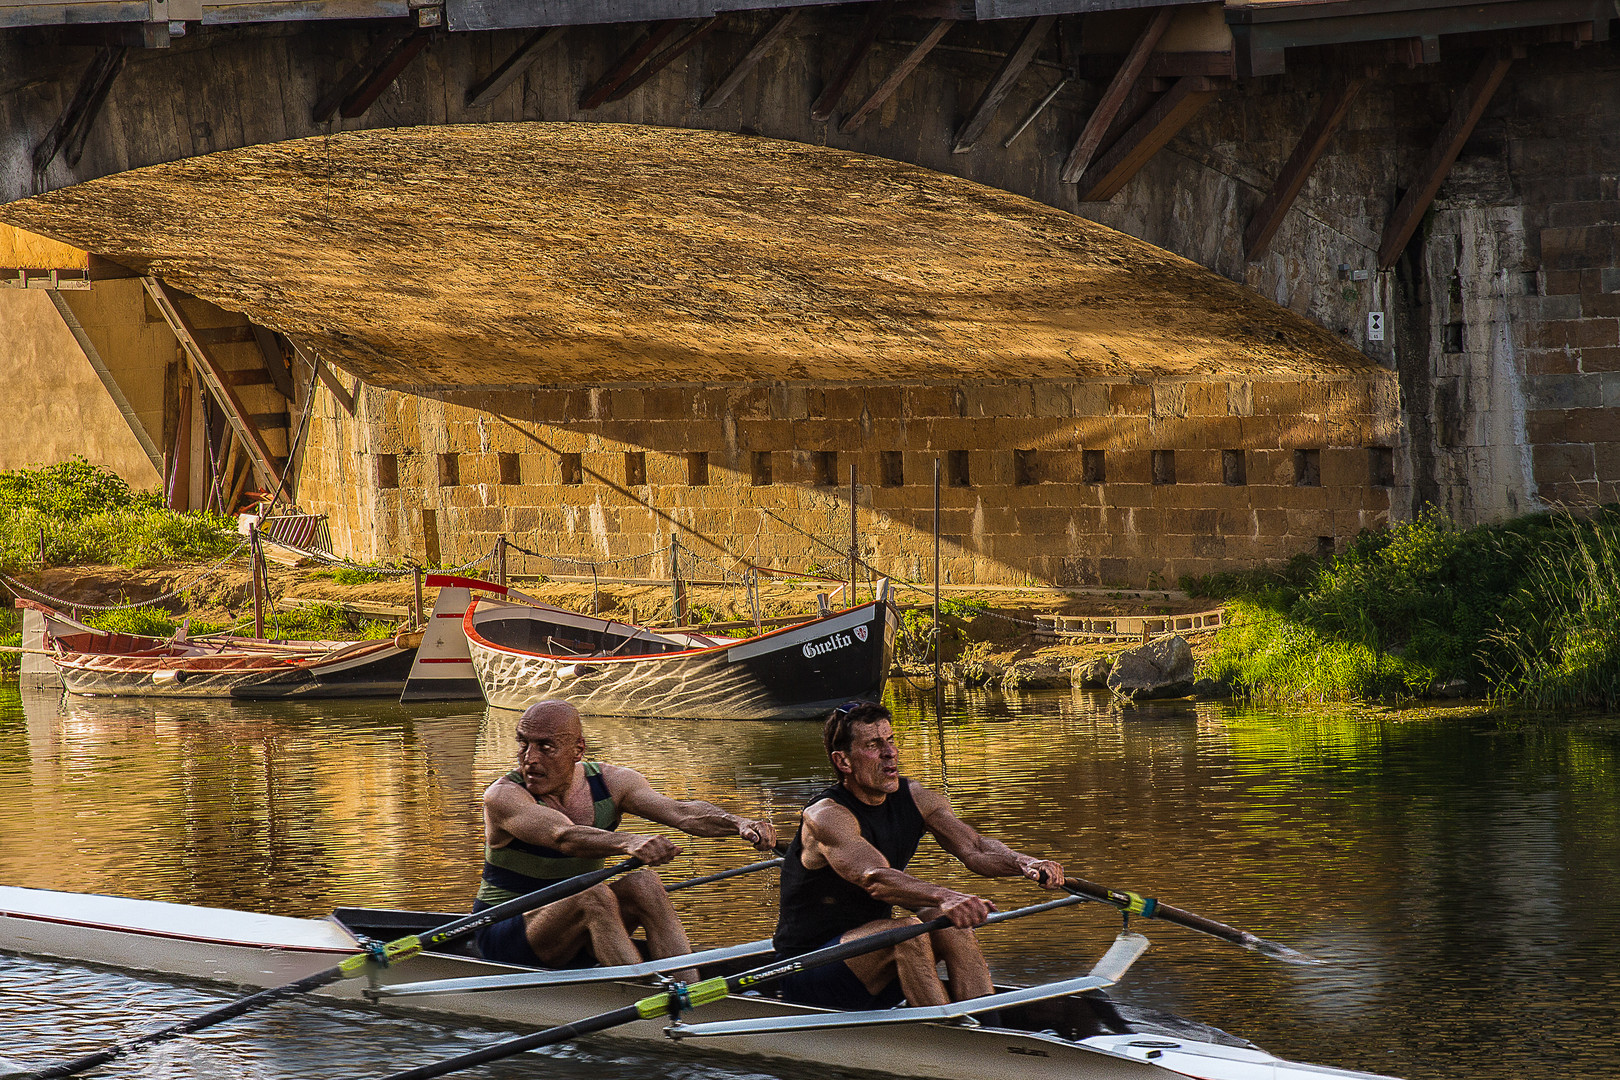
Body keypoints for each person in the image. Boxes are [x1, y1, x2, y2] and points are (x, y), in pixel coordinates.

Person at [773, 701, 1065, 1009]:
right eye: (873, 745)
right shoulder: (826, 816)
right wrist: (944, 895)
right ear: (843, 761)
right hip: (807, 970)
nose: (890, 753)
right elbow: (876, 878)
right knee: (909, 931)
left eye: (890, 740)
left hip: (871, 965)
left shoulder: (915, 797)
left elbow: (976, 849)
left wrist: (1026, 863)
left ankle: (987, 1030)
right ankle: (947, 1040)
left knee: (949, 922)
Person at [474, 699, 778, 969]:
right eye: (523, 743)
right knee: (594, 896)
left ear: (579, 749)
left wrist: (738, 822)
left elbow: (682, 813)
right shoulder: (502, 797)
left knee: (645, 883)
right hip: (504, 931)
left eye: (546, 747)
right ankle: (644, 1000)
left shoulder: (613, 782)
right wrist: (628, 841)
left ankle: (688, 990)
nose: (529, 758)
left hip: (574, 929)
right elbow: (562, 837)